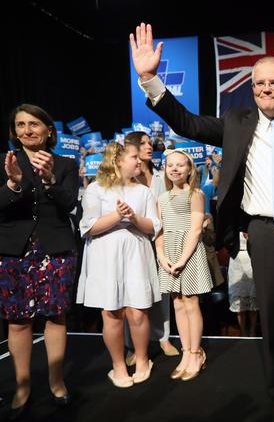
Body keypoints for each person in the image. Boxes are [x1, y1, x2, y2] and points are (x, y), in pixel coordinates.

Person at [130, 23, 274, 422]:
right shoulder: (236, 122)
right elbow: (187, 124)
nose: (266, 90)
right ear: (252, 88)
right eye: (259, 84)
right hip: (264, 232)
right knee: (273, 314)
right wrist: (150, 79)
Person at [0, 103, 79, 419]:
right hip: (12, 251)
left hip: (55, 249)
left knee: (55, 317)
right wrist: (12, 183)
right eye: (21, 125)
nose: (27, 130)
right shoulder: (2, 162)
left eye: (34, 124)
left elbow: (69, 205)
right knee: (18, 321)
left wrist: (50, 179)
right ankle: (22, 385)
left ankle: (56, 380)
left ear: (49, 130)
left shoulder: (65, 164)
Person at [76, 141, 161, 388]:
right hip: (105, 257)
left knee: (137, 312)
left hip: (136, 254)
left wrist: (133, 217)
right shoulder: (96, 189)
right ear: (118, 160)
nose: (139, 161)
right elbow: (88, 227)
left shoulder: (144, 191)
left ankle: (143, 360)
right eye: (134, 157)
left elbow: (153, 227)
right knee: (112, 314)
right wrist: (118, 216)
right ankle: (118, 365)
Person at [123, 131, 180, 365]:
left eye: (149, 143)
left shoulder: (160, 175)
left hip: (161, 237)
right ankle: (133, 345)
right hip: (133, 239)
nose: (149, 146)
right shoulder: (125, 177)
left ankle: (163, 337)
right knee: (131, 295)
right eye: (143, 143)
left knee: (162, 291)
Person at [155, 150, 212, 381]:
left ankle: (197, 353)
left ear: (189, 169)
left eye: (180, 165)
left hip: (188, 253)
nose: (175, 169)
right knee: (177, 304)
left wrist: (181, 260)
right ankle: (186, 353)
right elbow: (159, 231)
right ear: (165, 169)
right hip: (169, 253)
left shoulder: (195, 194)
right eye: (171, 165)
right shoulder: (161, 198)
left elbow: (196, 229)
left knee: (191, 302)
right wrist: (161, 255)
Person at [228, 232, 259, 336]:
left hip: (252, 258)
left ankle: (252, 330)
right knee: (238, 295)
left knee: (253, 295)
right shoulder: (233, 220)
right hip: (236, 259)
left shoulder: (253, 220)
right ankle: (243, 331)